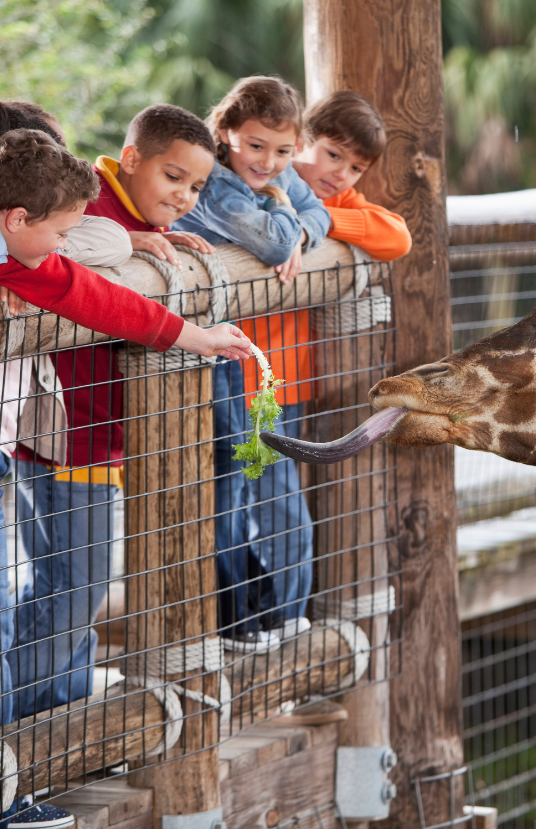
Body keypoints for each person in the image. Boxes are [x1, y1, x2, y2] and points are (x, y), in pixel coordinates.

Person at [0, 127, 249, 827]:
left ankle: (43, 752)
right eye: (60, 231)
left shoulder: (28, 258)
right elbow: (93, 256)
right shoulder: (62, 239)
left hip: (48, 442)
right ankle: (25, 758)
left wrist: (197, 337)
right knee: (56, 591)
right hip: (59, 442)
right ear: (18, 220)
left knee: (57, 594)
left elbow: (96, 294)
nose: (69, 241)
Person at [173, 75, 330, 651]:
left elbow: (321, 216)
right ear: (227, 134)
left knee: (249, 481)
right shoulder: (216, 183)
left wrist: (299, 227)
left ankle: (261, 613)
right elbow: (269, 243)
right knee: (228, 484)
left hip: (244, 358)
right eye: (256, 146)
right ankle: (234, 616)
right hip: (202, 354)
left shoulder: (274, 176)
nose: (269, 162)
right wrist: (289, 220)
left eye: (285, 151)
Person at [293, 90, 411, 261]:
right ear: (300, 141)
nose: (341, 175)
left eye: (356, 168)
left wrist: (320, 218)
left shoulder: (340, 201)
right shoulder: (266, 181)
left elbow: (399, 238)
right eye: (334, 155)